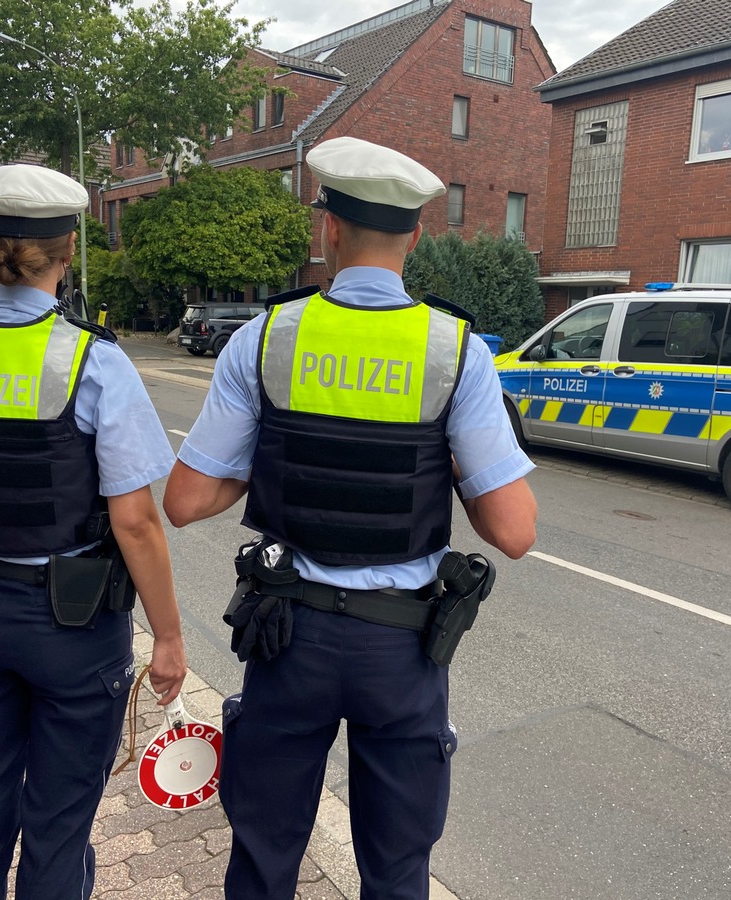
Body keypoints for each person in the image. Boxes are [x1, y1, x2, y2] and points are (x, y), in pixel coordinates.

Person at [162, 136, 537, 899]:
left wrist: (275, 451)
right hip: (399, 651)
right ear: (417, 236)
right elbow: (514, 532)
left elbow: (186, 500)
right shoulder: (456, 352)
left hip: (286, 640)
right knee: (398, 871)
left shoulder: (264, 338)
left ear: (328, 230)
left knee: (263, 860)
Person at [0, 163, 187, 900]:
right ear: (66, 247)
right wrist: (170, 638)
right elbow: (135, 521)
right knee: (57, 825)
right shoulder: (92, 360)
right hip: (71, 628)